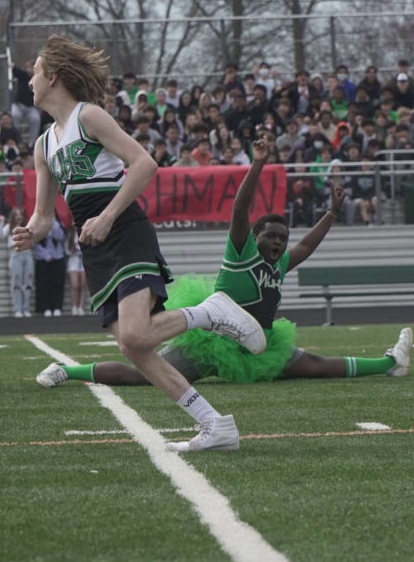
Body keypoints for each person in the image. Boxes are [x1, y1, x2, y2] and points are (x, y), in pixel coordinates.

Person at [14, 34, 266, 453]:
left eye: (36, 73)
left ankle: (209, 312)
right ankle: (214, 424)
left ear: (53, 76)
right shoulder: (43, 145)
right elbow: (42, 217)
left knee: (136, 332)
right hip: (94, 245)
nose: (30, 82)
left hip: (124, 229)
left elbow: (145, 164)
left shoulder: (89, 117)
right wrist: (30, 232)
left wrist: (108, 215)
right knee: (133, 344)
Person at [49, 138, 412, 390]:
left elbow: (305, 245)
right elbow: (240, 209)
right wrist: (257, 164)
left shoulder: (279, 263)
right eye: (270, 236)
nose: (277, 242)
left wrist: (332, 212)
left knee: (315, 365)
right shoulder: (242, 253)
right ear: (254, 237)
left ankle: (390, 363)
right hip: (216, 344)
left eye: (281, 238)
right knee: (143, 374)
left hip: (260, 345)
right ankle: (69, 370)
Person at [0, 207, 34, 317]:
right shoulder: (9, 227)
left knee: (28, 282)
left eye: (20, 215)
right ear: (13, 217)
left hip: (27, 254)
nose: (19, 217)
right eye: (16, 215)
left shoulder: (27, 227)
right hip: (15, 254)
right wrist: (2, 221)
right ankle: (18, 309)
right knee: (16, 282)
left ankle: (26, 308)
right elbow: (0, 235)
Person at [33, 215, 67, 316]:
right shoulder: (37, 224)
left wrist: (54, 226)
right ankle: (45, 307)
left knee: (58, 283)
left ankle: (57, 307)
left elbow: (61, 237)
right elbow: (35, 243)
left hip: (58, 257)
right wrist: (46, 255)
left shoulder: (59, 224)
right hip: (43, 259)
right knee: (44, 283)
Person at [65, 224, 87, 315]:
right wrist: (72, 250)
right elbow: (66, 249)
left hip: (83, 260)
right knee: (75, 284)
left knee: (83, 284)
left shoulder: (85, 231)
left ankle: (81, 306)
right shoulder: (70, 233)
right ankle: (74, 306)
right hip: (73, 260)